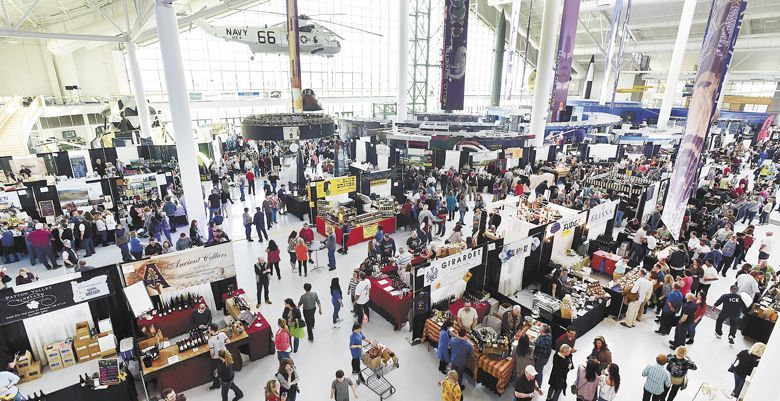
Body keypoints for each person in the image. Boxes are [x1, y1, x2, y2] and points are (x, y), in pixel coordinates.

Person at [207, 323, 229, 390]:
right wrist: (221, 345)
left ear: (212, 330)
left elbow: (212, 352)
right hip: (225, 354)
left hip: (217, 358)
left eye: (209, 328)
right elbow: (228, 341)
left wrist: (212, 356)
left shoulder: (210, 340)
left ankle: (217, 385)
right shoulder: (222, 333)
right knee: (225, 368)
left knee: (215, 372)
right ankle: (227, 381)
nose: (208, 329)